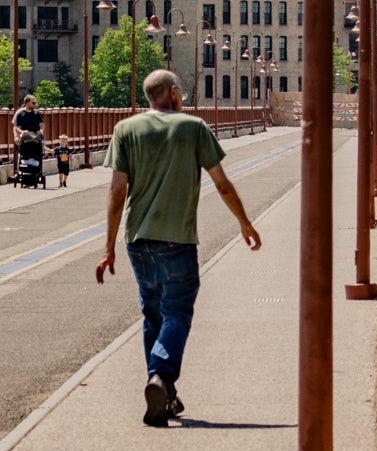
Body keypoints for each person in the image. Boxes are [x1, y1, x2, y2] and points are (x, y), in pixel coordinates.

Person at [95, 67, 261, 426]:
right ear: (171, 93)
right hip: (178, 240)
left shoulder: (126, 129)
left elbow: (116, 191)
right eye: (181, 93)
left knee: (153, 314)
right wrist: (244, 222)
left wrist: (108, 245)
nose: (183, 98)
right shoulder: (194, 128)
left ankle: (165, 395)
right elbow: (222, 184)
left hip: (137, 242)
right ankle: (161, 375)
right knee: (178, 314)